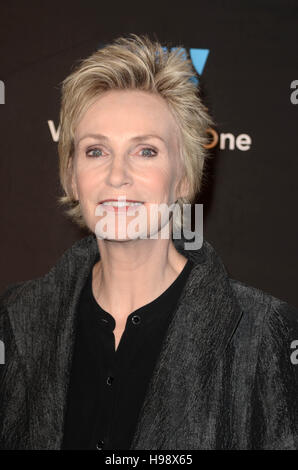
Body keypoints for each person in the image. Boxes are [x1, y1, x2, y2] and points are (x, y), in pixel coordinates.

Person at [1, 33, 298, 451]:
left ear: (184, 177)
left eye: (145, 151)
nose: (117, 175)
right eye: (95, 151)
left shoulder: (265, 334)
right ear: (70, 175)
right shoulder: (14, 320)